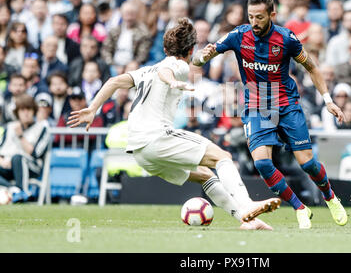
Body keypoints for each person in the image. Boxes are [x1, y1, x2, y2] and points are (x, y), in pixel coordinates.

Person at [67, 18, 281, 231]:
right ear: (190, 50)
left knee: (205, 175)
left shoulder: (146, 71)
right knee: (222, 157)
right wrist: (172, 81)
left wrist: (93, 108)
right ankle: (247, 204)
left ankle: (247, 220)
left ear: (164, 47)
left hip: (140, 152)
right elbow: (168, 71)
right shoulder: (177, 66)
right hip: (156, 138)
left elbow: (114, 82)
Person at [193, 0, 348, 229]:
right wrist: (202, 56)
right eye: (251, 17)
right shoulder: (238, 35)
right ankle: (300, 208)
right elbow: (203, 56)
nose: (254, 22)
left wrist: (327, 99)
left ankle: (330, 197)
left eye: (259, 17)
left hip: (286, 104)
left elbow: (312, 68)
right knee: (263, 164)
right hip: (257, 107)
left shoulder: (287, 39)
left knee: (307, 163)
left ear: (272, 15)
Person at [0, 94, 51, 202]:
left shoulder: (42, 127)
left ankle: (23, 191)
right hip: (7, 163)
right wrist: (2, 160)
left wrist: (21, 136)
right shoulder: (9, 126)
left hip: (31, 165)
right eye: (22, 110)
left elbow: (35, 153)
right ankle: (13, 189)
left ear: (34, 111)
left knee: (17, 158)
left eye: (29, 109)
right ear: (17, 112)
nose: (26, 113)